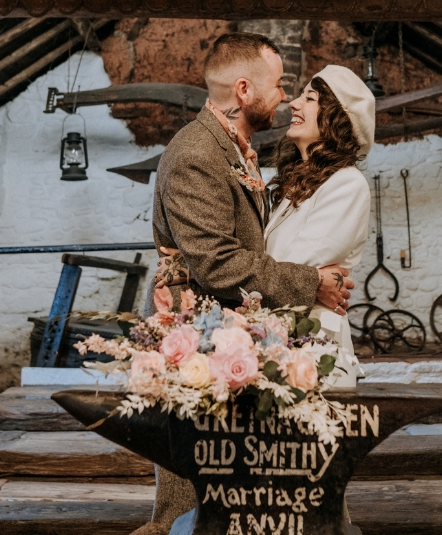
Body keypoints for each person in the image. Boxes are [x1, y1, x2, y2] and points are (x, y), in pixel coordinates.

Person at [137, 33, 355, 535]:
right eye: (278, 85)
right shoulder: (195, 153)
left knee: (238, 491)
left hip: (230, 333)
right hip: (195, 336)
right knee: (193, 499)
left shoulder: (236, 148)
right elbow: (218, 264)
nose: (284, 96)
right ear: (242, 90)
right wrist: (310, 283)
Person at [265, 65, 374, 387]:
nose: (293, 105)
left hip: (314, 349)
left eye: (309, 98)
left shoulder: (347, 185)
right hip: (279, 339)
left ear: (337, 118)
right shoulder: (295, 187)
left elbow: (297, 267)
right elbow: (288, 274)